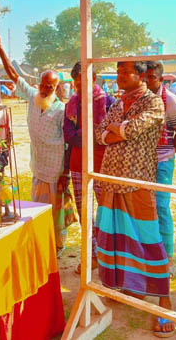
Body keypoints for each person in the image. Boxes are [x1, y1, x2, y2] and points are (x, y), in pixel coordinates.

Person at [94, 60, 173, 337]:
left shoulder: (154, 102)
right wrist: (118, 130)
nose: (119, 77)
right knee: (116, 236)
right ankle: (130, 286)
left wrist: (117, 130)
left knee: (148, 240)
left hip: (137, 181)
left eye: (125, 72)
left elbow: (133, 130)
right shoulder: (117, 103)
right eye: (118, 72)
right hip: (112, 180)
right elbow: (99, 135)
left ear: (141, 76)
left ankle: (164, 302)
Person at [0, 34, 78, 255]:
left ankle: (57, 246)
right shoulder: (32, 97)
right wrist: (0, 47)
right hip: (38, 165)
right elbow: (13, 74)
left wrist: (64, 174)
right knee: (38, 208)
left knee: (56, 210)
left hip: (55, 168)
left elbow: (68, 142)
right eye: (43, 84)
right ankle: (41, 242)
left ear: (56, 87)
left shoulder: (62, 109)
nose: (45, 89)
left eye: (50, 86)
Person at [63, 61, 113, 273]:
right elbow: (69, 135)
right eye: (76, 83)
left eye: (84, 81)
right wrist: (92, 137)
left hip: (103, 165)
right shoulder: (72, 104)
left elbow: (110, 135)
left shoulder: (109, 102)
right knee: (85, 212)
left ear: (93, 78)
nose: (79, 86)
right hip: (78, 164)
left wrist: (84, 136)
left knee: (105, 211)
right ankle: (91, 255)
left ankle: (107, 256)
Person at [144, 61, 176, 268]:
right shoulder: (140, 98)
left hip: (161, 163)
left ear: (160, 79)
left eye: (151, 77)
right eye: (145, 76)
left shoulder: (171, 101)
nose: (147, 80)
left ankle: (167, 258)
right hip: (140, 163)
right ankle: (149, 253)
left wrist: (167, 154)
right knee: (144, 208)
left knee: (161, 207)